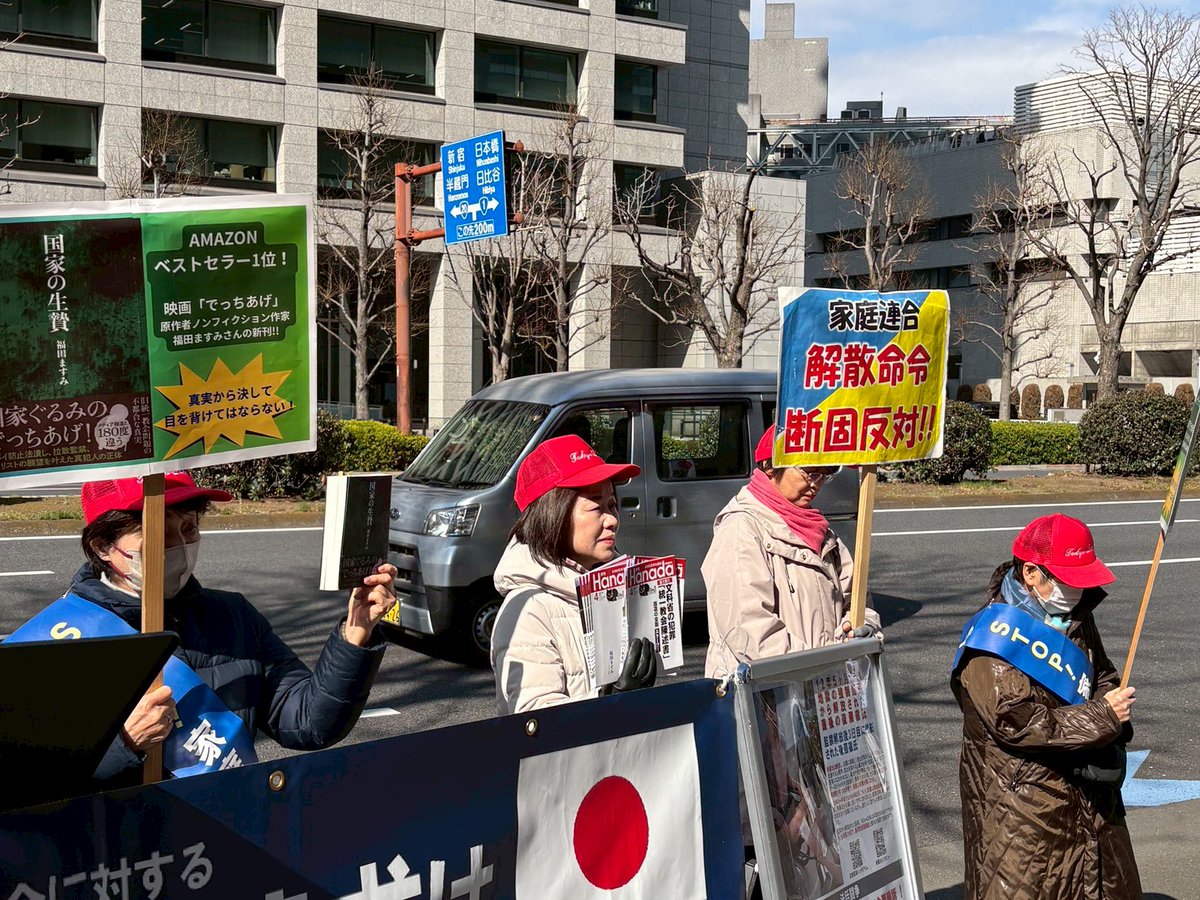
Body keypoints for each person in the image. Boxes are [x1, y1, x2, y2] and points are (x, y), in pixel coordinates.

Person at [48, 471, 396, 787]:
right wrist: (124, 744)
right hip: (124, 835)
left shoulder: (233, 615)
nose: (179, 545)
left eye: (189, 528)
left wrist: (356, 632)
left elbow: (307, 722)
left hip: (222, 823)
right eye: (159, 533)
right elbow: (37, 780)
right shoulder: (65, 636)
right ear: (103, 546)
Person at [951, 513, 1141, 899]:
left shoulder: (1074, 618)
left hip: (1087, 793)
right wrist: (1104, 716)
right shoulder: (994, 638)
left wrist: (1110, 700)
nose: (1077, 591)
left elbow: (1101, 674)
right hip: (1024, 806)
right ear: (1031, 573)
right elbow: (1018, 721)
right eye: (1068, 580)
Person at [491, 434, 658, 715]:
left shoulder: (611, 588)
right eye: (596, 507)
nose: (612, 520)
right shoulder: (529, 609)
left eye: (612, 505)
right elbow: (532, 719)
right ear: (553, 514)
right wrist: (609, 698)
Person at [702, 426, 881, 678]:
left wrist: (862, 628)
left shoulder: (821, 531)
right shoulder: (741, 529)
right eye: (809, 472)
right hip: (768, 689)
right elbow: (750, 633)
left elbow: (857, 601)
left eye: (826, 474)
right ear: (770, 466)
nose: (816, 484)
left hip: (822, 686)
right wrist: (824, 667)